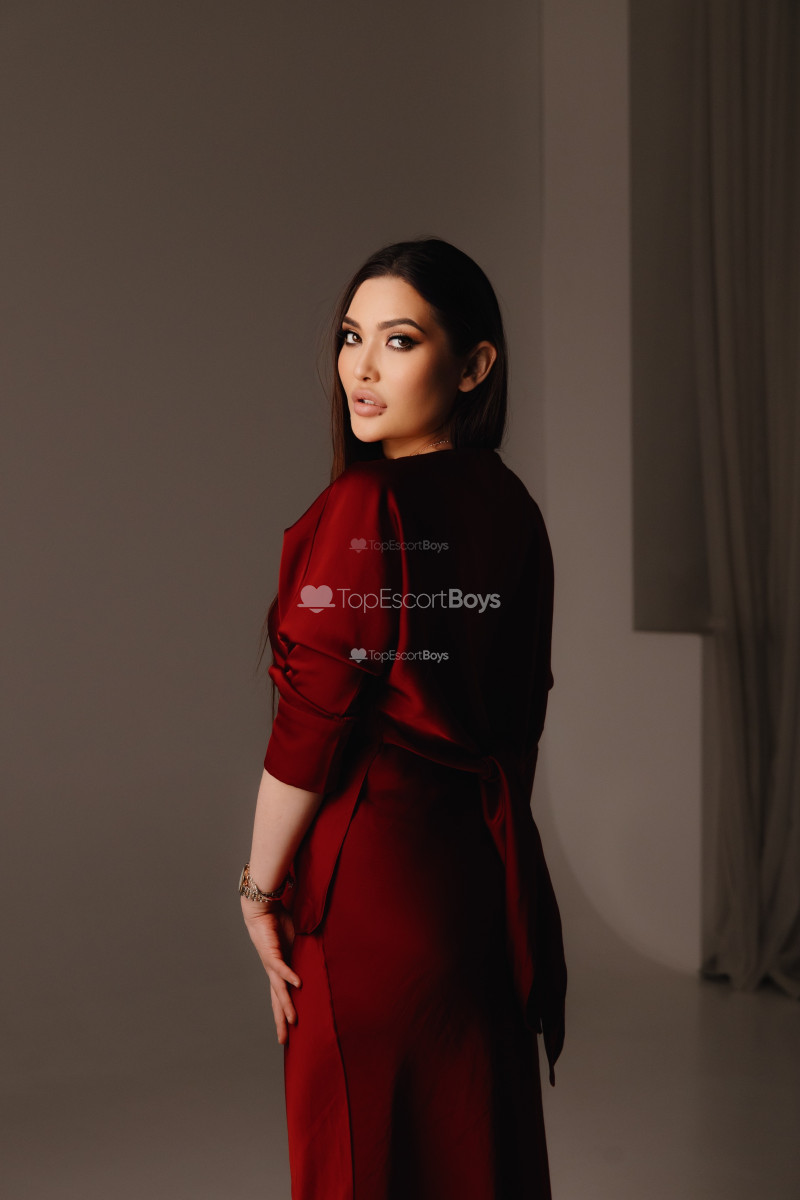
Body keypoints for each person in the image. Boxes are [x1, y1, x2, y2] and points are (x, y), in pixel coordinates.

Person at [239, 236, 567, 1199]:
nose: (362, 368)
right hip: (479, 893)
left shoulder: (368, 504)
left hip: (371, 898)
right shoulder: (513, 509)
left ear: (473, 365)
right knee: (474, 1161)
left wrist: (258, 890)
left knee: (361, 1165)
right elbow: (522, 711)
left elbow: (310, 725)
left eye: (400, 340)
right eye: (352, 337)